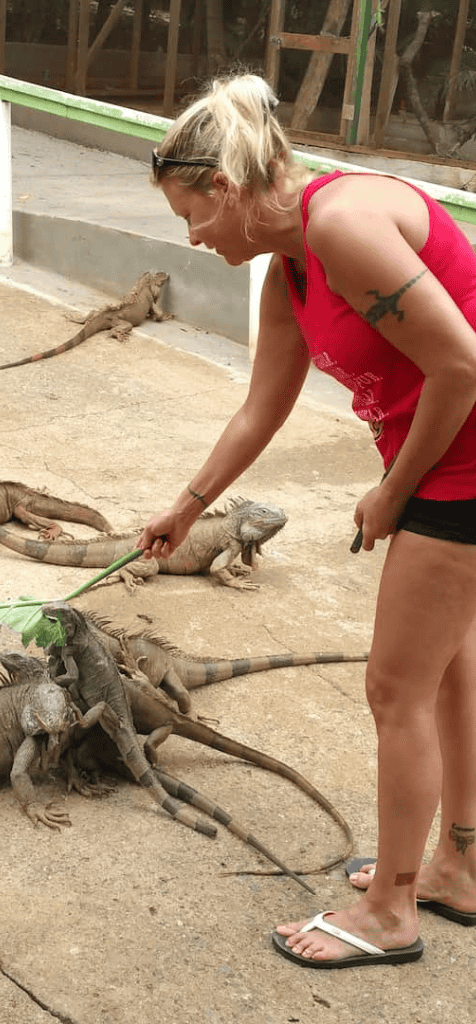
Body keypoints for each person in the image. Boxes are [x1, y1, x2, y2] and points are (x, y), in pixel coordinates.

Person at [136, 71, 476, 969]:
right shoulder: (286, 263)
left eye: (191, 216)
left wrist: (395, 492)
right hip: (445, 456)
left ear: (227, 188)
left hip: (464, 463)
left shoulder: (341, 225)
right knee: (446, 671)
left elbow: (463, 366)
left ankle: (392, 910)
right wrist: (188, 506)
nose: (194, 238)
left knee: (393, 687)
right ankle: (458, 868)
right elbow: (263, 408)